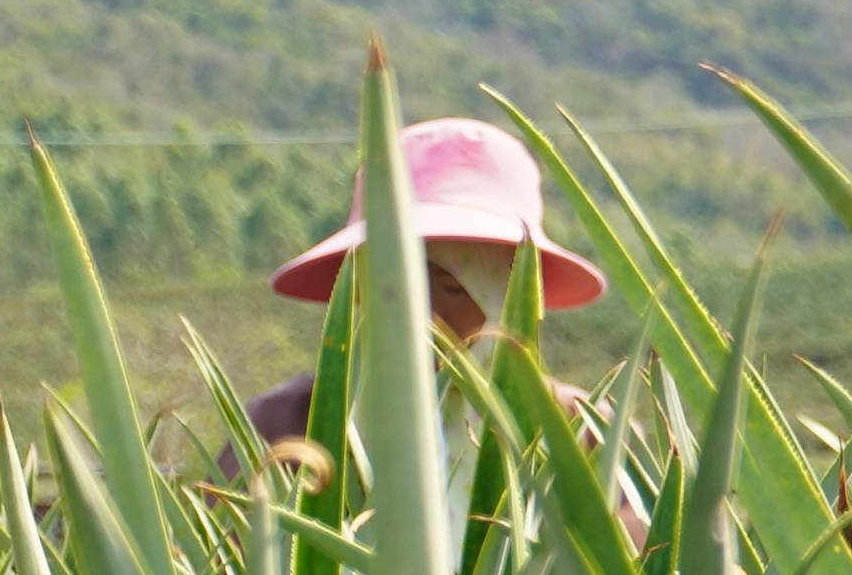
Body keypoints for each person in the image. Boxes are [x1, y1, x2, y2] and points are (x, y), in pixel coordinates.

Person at [234, 113, 604, 454]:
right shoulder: (290, 426)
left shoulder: (582, 435)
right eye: (393, 287)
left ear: (514, 296)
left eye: (455, 287)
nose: (422, 316)